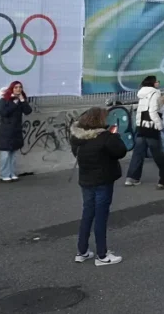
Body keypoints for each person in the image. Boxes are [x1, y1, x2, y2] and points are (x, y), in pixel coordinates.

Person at [70, 105, 127, 266]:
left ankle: (82, 251)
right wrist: (115, 136)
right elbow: (120, 151)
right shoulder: (106, 138)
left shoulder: (77, 138)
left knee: (87, 213)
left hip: (86, 179)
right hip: (103, 179)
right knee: (101, 216)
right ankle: (102, 255)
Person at [125, 75, 164, 186]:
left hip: (141, 125)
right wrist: (159, 125)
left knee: (138, 152)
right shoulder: (155, 93)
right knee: (157, 152)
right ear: (153, 83)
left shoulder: (142, 93)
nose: (158, 82)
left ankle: (132, 177)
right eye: (157, 81)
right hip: (151, 126)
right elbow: (153, 111)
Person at [0, 80, 32, 182]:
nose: (18, 89)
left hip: (16, 130)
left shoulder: (21, 101)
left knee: (13, 154)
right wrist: (14, 103)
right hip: (6, 131)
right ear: (11, 89)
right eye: (16, 87)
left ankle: (12, 173)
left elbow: (28, 111)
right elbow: (4, 113)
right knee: (5, 154)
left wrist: (22, 100)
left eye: (20, 87)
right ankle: (4, 174)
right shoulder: (4, 100)